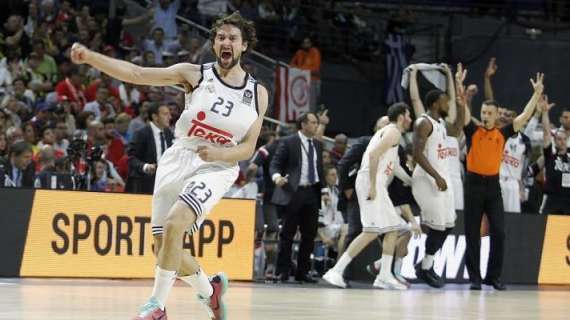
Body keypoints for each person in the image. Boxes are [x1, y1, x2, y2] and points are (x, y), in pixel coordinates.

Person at [71, 11, 268, 320]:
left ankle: (157, 306)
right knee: (162, 246)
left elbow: (247, 147)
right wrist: (91, 57)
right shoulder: (194, 74)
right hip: (179, 156)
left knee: (176, 224)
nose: (225, 42)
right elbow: (136, 74)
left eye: (232, 38)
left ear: (244, 46)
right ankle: (209, 290)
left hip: (217, 166)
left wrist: (219, 155)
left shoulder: (257, 93)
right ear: (214, 44)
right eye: (220, 37)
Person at [463, 72, 543, 291]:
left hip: (493, 186)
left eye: (489, 113)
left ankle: (493, 276)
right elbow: (462, 113)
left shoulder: (503, 133)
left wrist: (536, 95)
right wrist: (460, 89)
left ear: (497, 115)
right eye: (483, 112)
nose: (486, 115)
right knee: (472, 232)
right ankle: (475, 278)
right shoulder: (473, 131)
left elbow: (525, 116)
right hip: (473, 185)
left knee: (499, 231)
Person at [322, 103, 414, 290]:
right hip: (371, 182)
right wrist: (372, 185)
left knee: (391, 228)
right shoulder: (393, 132)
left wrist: (413, 182)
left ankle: (384, 275)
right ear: (402, 117)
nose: (411, 119)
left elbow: (395, 168)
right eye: (409, 115)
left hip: (374, 182)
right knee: (372, 231)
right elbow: (372, 156)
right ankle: (337, 271)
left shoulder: (392, 134)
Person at [411, 64, 465, 288]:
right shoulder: (423, 123)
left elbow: (458, 129)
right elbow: (416, 154)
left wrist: (462, 105)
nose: (447, 104)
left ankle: (424, 265)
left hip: (440, 179)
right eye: (445, 101)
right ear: (435, 104)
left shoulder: (441, 123)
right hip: (426, 179)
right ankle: (425, 268)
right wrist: (436, 177)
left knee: (449, 224)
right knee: (438, 226)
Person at [270, 112, 325, 283]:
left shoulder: (317, 144)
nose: (316, 125)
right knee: (287, 234)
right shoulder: (288, 142)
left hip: (312, 192)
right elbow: (275, 164)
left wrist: (323, 190)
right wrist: (277, 177)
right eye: (314, 122)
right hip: (293, 191)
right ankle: (282, 271)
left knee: (309, 235)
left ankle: (303, 272)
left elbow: (319, 168)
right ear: (303, 124)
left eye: (317, 122)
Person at [126, 104, 174, 194]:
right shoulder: (142, 133)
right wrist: (145, 166)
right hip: (145, 182)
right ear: (155, 116)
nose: (170, 117)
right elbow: (131, 158)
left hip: (164, 180)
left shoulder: (169, 133)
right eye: (165, 114)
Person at [539, 97, 570, 215]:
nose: (561, 141)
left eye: (564, 139)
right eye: (558, 139)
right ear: (555, 141)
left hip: (568, 200)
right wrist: (545, 112)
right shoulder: (549, 156)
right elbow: (546, 132)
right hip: (552, 200)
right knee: (547, 230)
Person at [290, 36, 322, 112]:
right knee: (300, 104)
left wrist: (300, 69)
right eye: (304, 43)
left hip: (312, 81)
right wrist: (300, 69)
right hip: (300, 82)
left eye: (307, 42)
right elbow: (291, 65)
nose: (306, 44)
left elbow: (316, 69)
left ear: (311, 43)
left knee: (311, 105)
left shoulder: (315, 52)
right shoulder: (299, 53)